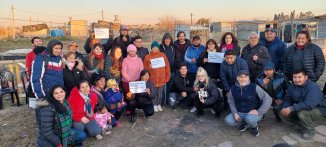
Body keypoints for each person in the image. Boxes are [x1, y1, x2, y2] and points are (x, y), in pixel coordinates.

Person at [280, 70, 326, 140]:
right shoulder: (291, 87)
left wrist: (291, 109)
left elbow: (309, 104)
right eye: (295, 77)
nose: (297, 80)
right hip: (302, 107)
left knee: (302, 113)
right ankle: (302, 124)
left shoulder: (313, 87)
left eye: (299, 77)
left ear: (306, 77)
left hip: (319, 109)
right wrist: (285, 107)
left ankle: (310, 131)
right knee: (280, 110)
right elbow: (287, 99)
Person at [224, 70, 272, 137]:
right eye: (241, 77)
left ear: (248, 78)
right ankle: (246, 123)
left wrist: (259, 111)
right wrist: (235, 113)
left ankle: (254, 127)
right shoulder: (232, 89)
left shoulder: (254, 87)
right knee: (228, 120)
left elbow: (268, 99)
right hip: (239, 112)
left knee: (250, 119)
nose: (243, 79)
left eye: (245, 77)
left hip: (253, 113)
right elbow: (231, 102)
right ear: (237, 78)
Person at [31, 39, 64, 104]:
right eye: (56, 48)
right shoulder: (41, 58)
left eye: (60, 48)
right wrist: (41, 96)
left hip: (58, 93)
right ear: (50, 48)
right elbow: (35, 79)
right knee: (47, 113)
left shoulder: (58, 58)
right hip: (47, 93)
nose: (58, 50)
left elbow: (60, 76)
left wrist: (62, 90)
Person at [144, 41, 171, 112]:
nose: (154, 49)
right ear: (151, 48)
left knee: (160, 93)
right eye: (153, 47)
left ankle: (159, 104)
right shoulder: (147, 57)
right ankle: (154, 105)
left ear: (158, 48)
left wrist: (167, 77)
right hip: (152, 79)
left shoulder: (163, 55)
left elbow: (167, 66)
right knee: (153, 93)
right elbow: (144, 69)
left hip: (161, 79)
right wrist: (149, 67)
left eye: (156, 47)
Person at [159, 33, 176, 104]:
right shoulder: (160, 47)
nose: (167, 40)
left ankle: (167, 100)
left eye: (169, 39)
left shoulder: (172, 47)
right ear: (164, 39)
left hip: (172, 70)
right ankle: (162, 101)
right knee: (163, 87)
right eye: (166, 39)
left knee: (169, 86)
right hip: (164, 71)